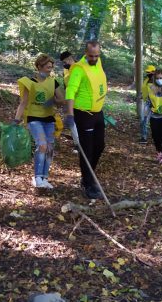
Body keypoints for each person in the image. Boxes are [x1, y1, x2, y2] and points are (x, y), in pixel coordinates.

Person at [64, 41, 107, 199]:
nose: (94, 58)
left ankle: (89, 175)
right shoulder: (79, 69)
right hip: (83, 114)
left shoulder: (98, 62)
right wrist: (69, 115)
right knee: (86, 149)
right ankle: (88, 183)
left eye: (97, 55)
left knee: (100, 145)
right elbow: (70, 91)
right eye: (91, 56)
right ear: (85, 53)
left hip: (97, 113)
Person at [13, 54, 64, 189]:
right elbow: (23, 102)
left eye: (51, 67)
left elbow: (62, 100)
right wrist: (16, 120)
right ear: (39, 66)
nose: (50, 70)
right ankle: (37, 178)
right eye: (47, 67)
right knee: (42, 145)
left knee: (50, 148)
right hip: (34, 119)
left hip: (49, 119)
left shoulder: (53, 82)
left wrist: (53, 100)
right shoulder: (29, 82)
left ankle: (45, 178)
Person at [139, 64, 156, 143]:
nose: (148, 74)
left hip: (155, 105)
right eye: (147, 72)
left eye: (150, 72)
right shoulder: (146, 80)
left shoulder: (157, 81)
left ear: (154, 72)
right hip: (147, 104)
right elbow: (144, 90)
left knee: (156, 122)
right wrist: (142, 95)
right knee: (144, 120)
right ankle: (144, 137)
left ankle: (158, 138)